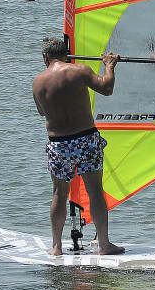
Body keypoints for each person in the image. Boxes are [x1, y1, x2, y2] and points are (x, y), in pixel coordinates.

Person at [32, 38, 124, 256]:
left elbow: (42, 112)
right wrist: (109, 66)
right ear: (67, 54)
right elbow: (107, 88)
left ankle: (56, 247)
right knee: (94, 192)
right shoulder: (79, 70)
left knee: (58, 194)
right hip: (85, 139)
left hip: (58, 144)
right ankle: (104, 244)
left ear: (46, 57)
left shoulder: (38, 82)